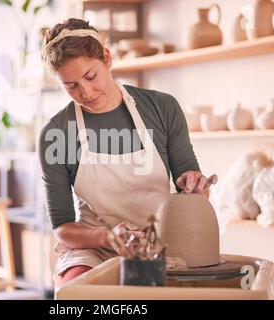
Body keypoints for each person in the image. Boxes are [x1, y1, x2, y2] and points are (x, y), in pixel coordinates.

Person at [38, 18, 218, 290]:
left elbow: (189, 189)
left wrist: (195, 186)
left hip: (160, 243)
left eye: (90, 76)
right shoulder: (56, 133)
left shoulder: (162, 108)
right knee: (75, 290)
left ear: (107, 58)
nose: (85, 92)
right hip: (93, 248)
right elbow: (62, 228)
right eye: (70, 85)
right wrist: (109, 238)